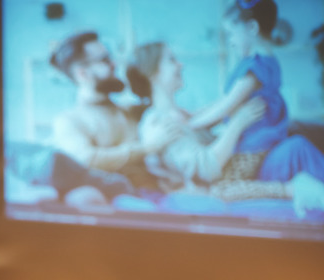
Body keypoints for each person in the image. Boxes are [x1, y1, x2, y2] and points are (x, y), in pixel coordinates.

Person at [127, 41, 324, 215]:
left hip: (234, 175)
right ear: (152, 74)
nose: (181, 64)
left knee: (296, 145)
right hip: (223, 187)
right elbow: (207, 168)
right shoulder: (160, 124)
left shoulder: (179, 114)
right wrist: (239, 123)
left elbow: (216, 110)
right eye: (171, 60)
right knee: (297, 149)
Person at [189, 0, 324, 184]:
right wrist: (193, 115)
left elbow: (226, 106)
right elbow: (223, 101)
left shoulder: (255, 69)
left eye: (231, 34)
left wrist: (190, 125)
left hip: (253, 148)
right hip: (263, 143)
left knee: (221, 184)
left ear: (252, 27)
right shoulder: (265, 62)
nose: (230, 41)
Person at [50, 31, 178, 193]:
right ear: (83, 73)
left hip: (160, 195)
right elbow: (85, 159)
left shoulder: (130, 110)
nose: (114, 64)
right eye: (105, 60)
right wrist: (147, 148)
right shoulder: (69, 120)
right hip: (122, 205)